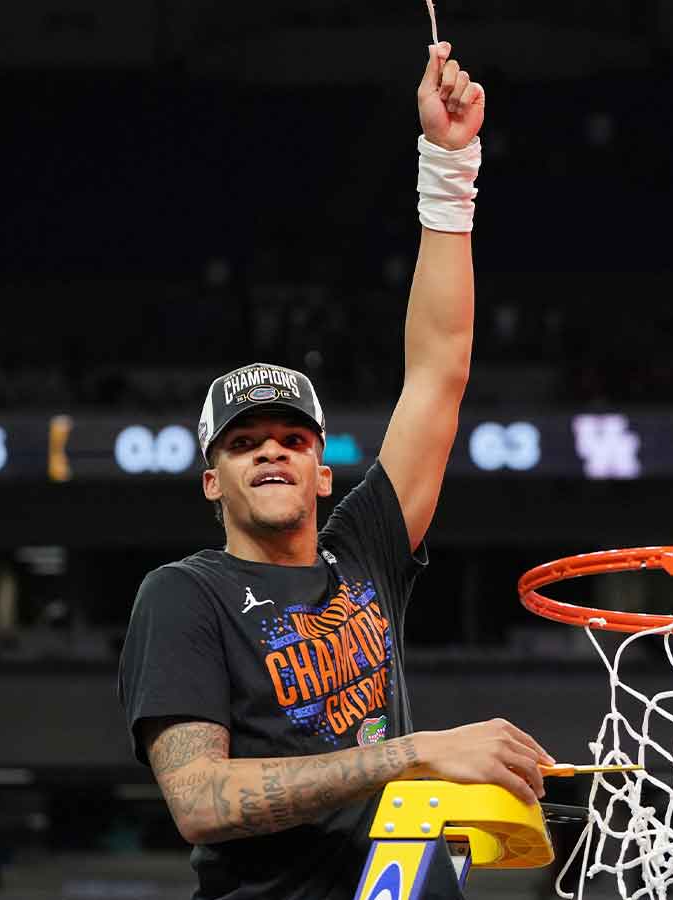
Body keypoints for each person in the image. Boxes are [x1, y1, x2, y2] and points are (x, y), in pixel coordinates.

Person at [118, 43, 554, 900]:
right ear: (212, 481)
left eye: (291, 437)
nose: (271, 450)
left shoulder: (365, 552)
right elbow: (200, 801)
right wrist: (414, 752)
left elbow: (439, 370)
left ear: (322, 470)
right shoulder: (182, 596)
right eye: (244, 444)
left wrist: (450, 163)